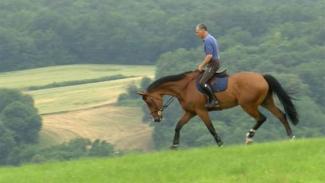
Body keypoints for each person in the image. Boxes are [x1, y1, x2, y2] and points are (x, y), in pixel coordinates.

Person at [195, 23, 221, 108]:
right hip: (214, 62)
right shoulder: (211, 38)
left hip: (213, 64)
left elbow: (209, 56)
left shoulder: (207, 40)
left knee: (202, 82)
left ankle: (214, 100)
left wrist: (201, 66)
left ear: (203, 30)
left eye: (197, 32)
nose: (197, 34)